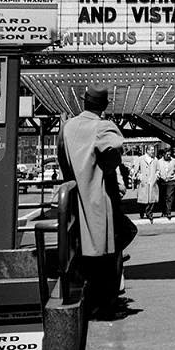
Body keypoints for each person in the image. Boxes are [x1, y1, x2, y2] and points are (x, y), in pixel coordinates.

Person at [56, 82, 137, 319]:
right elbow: (115, 147)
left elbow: (61, 157)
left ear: (84, 102)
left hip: (75, 199)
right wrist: (108, 166)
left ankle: (90, 301)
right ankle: (106, 305)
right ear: (103, 105)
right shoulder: (102, 127)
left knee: (84, 253)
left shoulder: (67, 127)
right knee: (110, 250)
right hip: (99, 199)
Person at [133, 144, 159, 223]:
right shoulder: (140, 159)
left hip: (152, 181)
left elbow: (158, 169)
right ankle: (142, 212)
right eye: (151, 150)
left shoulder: (155, 160)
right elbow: (135, 170)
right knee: (143, 200)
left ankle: (149, 214)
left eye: (153, 150)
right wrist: (139, 176)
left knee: (152, 200)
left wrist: (156, 176)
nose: (153, 152)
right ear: (147, 151)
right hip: (143, 182)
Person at [157, 146, 175, 220]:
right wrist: (158, 176)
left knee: (169, 197)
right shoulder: (159, 162)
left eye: (170, 154)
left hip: (171, 181)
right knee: (162, 197)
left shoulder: (174, 161)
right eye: (167, 154)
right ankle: (164, 211)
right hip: (162, 181)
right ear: (164, 154)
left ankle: (168, 212)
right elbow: (157, 171)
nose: (169, 156)